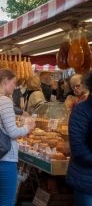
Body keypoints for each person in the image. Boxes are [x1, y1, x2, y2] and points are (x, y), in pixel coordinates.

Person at [0, 68, 35, 206]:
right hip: (5, 157)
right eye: (14, 83)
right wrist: (28, 128)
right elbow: (13, 132)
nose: (15, 87)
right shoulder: (4, 101)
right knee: (7, 201)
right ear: (5, 81)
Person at [66, 71, 92, 206]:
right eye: (73, 86)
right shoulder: (81, 110)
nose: (75, 89)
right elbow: (78, 147)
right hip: (86, 179)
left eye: (77, 86)